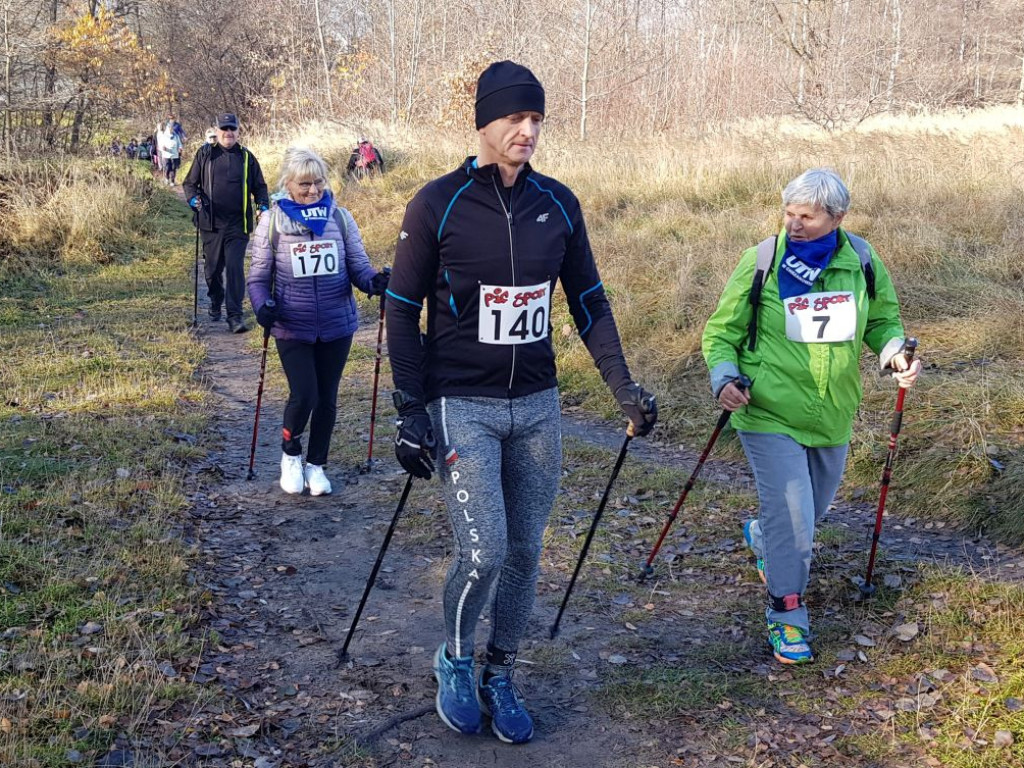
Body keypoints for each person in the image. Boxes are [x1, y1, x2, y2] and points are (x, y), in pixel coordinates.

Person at [385, 60, 657, 744]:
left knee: (526, 555)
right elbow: (398, 308)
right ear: (484, 121)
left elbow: (589, 301)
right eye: (515, 118)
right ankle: (455, 657)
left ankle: (500, 670)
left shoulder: (559, 204)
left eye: (536, 120)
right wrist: (408, 408)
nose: (527, 131)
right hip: (463, 404)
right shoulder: (437, 202)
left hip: (536, 406)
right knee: (485, 551)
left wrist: (622, 388)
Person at [701, 167, 922, 665]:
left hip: (833, 412)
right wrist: (725, 378)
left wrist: (896, 355)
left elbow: (884, 321)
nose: (794, 224)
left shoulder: (861, 259)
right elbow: (720, 333)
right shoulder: (761, 260)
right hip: (767, 411)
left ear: (837, 217)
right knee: (797, 522)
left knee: (810, 513)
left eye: (807, 216)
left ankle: (763, 534)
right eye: (789, 213)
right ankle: (787, 616)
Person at [247, 147, 390, 495]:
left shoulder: (340, 218)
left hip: (335, 323)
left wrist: (375, 282)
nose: (313, 191)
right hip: (291, 324)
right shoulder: (273, 221)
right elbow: (257, 277)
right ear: (288, 184)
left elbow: (357, 266)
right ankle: (291, 453)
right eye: (304, 184)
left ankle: (316, 465)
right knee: (304, 394)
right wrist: (262, 305)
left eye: (319, 183)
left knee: (327, 398)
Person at [182, 112, 270, 333]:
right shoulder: (205, 154)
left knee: (234, 268)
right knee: (212, 270)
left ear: (238, 131)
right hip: (210, 223)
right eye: (224, 129)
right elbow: (190, 183)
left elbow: (259, 186)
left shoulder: (247, 157)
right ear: (217, 130)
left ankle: (235, 315)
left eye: (232, 129)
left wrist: (262, 206)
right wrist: (193, 199)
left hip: (237, 225)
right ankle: (215, 300)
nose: (228, 133)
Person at [158, 120, 183, 185]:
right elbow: (160, 145)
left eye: (172, 128)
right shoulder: (163, 136)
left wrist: (180, 148)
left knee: (173, 168)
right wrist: (163, 148)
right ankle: (166, 178)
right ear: (167, 128)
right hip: (166, 155)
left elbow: (180, 144)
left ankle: (172, 181)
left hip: (175, 155)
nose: (170, 129)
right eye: (169, 128)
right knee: (167, 168)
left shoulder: (176, 136)